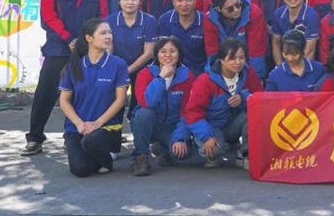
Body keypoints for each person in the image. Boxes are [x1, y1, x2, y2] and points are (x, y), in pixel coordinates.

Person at [23, 0, 109, 156]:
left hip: (87, 51)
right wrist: (69, 39)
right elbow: (48, 18)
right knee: (45, 94)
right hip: (57, 50)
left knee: (83, 95)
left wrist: (86, 42)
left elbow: (102, 19)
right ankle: (35, 138)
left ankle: (72, 137)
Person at [56, 19, 129, 176]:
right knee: (80, 170)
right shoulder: (74, 65)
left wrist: (97, 123)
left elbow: (120, 100)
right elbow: (64, 100)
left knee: (91, 141)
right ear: (89, 38)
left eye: (110, 32)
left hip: (106, 127)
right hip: (77, 128)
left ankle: (106, 161)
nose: (108, 36)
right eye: (103, 33)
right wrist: (78, 123)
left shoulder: (118, 64)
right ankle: (93, 155)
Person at [174, 38, 261, 169]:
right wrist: (207, 136)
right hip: (211, 125)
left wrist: (244, 98)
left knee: (254, 115)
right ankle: (211, 147)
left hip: (233, 124)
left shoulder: (249, 73)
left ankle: (244, 155)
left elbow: (260, 98)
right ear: (221, 59)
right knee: (213, 150)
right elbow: (192, 113)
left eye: (242, 58)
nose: (238, 62)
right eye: (232, 58)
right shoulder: (205, 80)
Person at [130, 37, 196, 176]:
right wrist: (161, 78)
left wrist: (180, 138)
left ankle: (163, 149)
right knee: (143, 113)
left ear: (179, 53)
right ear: (157, 54)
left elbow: (188, 111)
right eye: (163, 51)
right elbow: (147, 102)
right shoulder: (145, 73)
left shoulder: (187, 76)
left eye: (172, 51)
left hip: (172, 126)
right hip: (150, 124)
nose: (168, 55)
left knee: (183, 154)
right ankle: (141, 156)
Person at [203, 0, 269, 79]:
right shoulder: (209, 19)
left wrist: (257, 78)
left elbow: (256, 51)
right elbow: (212, 52)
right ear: (218, 9)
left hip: (249, 61)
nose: (236, 10)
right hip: (224, 63)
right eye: (230, 9)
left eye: (238, 5)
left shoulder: (254, 13)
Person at [108, 0, 157, 85]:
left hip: (143, 69)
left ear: (140, 1)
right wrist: (116, 70)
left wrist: (127, 70)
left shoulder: (149, 21)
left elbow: (149, 53)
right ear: (119, 1)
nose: (130, 2)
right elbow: (108, 50)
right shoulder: (110, 21)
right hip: (116, 68)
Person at [155, 0, 208, 73]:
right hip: (172, 71)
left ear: (195, 0)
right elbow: (162, 51)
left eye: (189, 0)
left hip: (199, 71)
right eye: (179, 0)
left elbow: (210, 52)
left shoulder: (205, 20)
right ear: (173, 1)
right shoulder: (165, 19)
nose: (184, 4)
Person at [270, 0, 320, 64]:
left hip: (306, 63)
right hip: (285, 61)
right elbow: (276, 44)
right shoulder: (278, 13)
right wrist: (281, 68)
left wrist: (298, 69)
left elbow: (309, 51)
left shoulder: (311, 15)